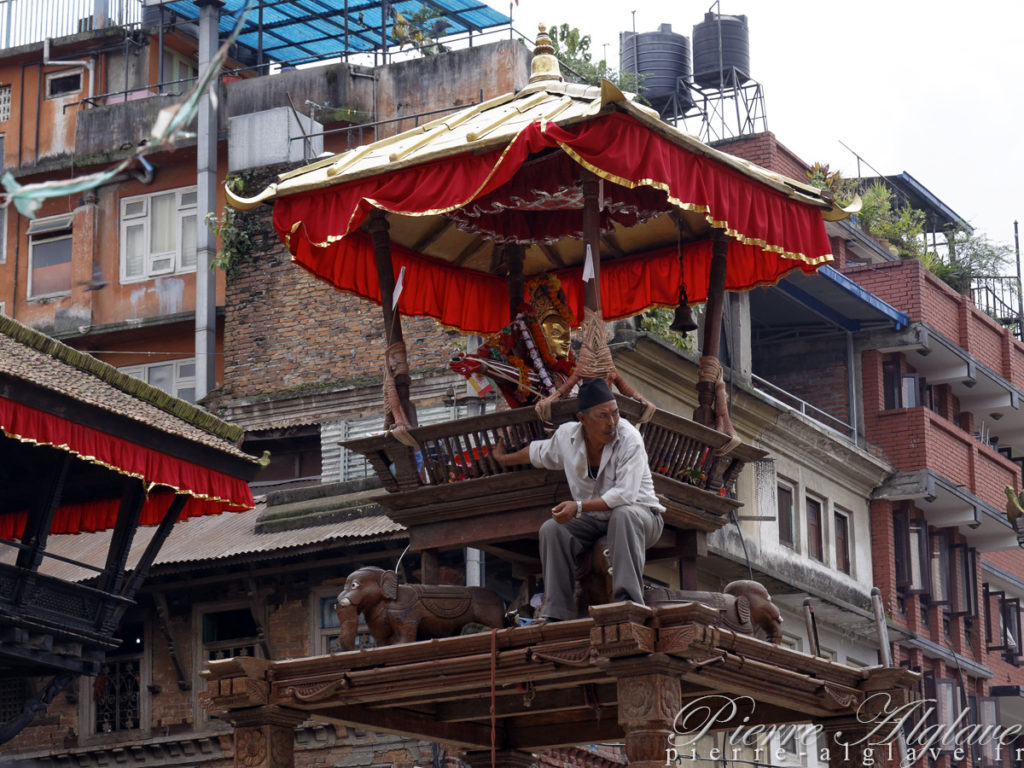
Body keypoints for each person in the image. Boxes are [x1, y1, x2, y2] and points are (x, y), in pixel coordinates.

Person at [491, 378, 664, 621]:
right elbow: (538, 453)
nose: (611, 422)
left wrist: (579, 506)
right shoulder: (567, 437)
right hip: (594, 520)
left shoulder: (630, 438)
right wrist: (504, 459)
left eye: (615, 414)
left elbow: (624, 496)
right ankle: (555, 612)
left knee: (623, 514)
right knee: (552, 529)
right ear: (582, 419)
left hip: (642, 517)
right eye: (603, 416)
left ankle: (628, 602)